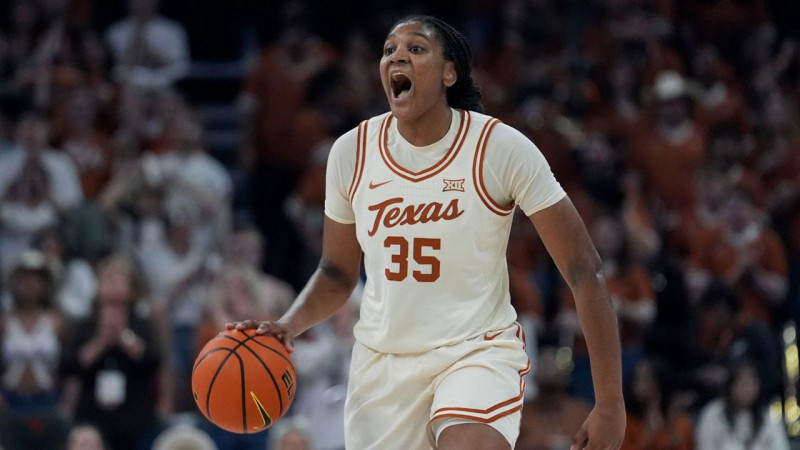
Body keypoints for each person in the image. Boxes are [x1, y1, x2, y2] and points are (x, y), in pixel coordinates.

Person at [231, 15, 625, 450]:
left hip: (475, 349)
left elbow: (584, 269)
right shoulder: (351, 153)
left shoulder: (499, 148)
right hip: (383, 367)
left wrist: (609, 403)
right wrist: (289, 324)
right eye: (388, 50)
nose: (397, 55)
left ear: (448, 72)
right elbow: (337, 273)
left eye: (416, 48)